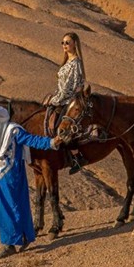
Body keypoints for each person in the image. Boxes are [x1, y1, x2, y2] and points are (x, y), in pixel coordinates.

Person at [0, 104, 63, 258]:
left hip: (13, 176)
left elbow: (32, 140)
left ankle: (10, 244)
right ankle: (23, 237)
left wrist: (51, 143)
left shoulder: (13, 131)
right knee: (1, 207)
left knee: (12, 207)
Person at [43, 31, 87, 174]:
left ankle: (76, 156)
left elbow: (70, 87)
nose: (64, 45)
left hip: (69, 99)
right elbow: (61, 86)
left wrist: (55, 100)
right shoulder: (67, 61)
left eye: (67, 42)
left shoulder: (76, 63)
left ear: (75, 44)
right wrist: (52, 97)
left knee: (63, 126)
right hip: (61, 97)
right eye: (63, 42)